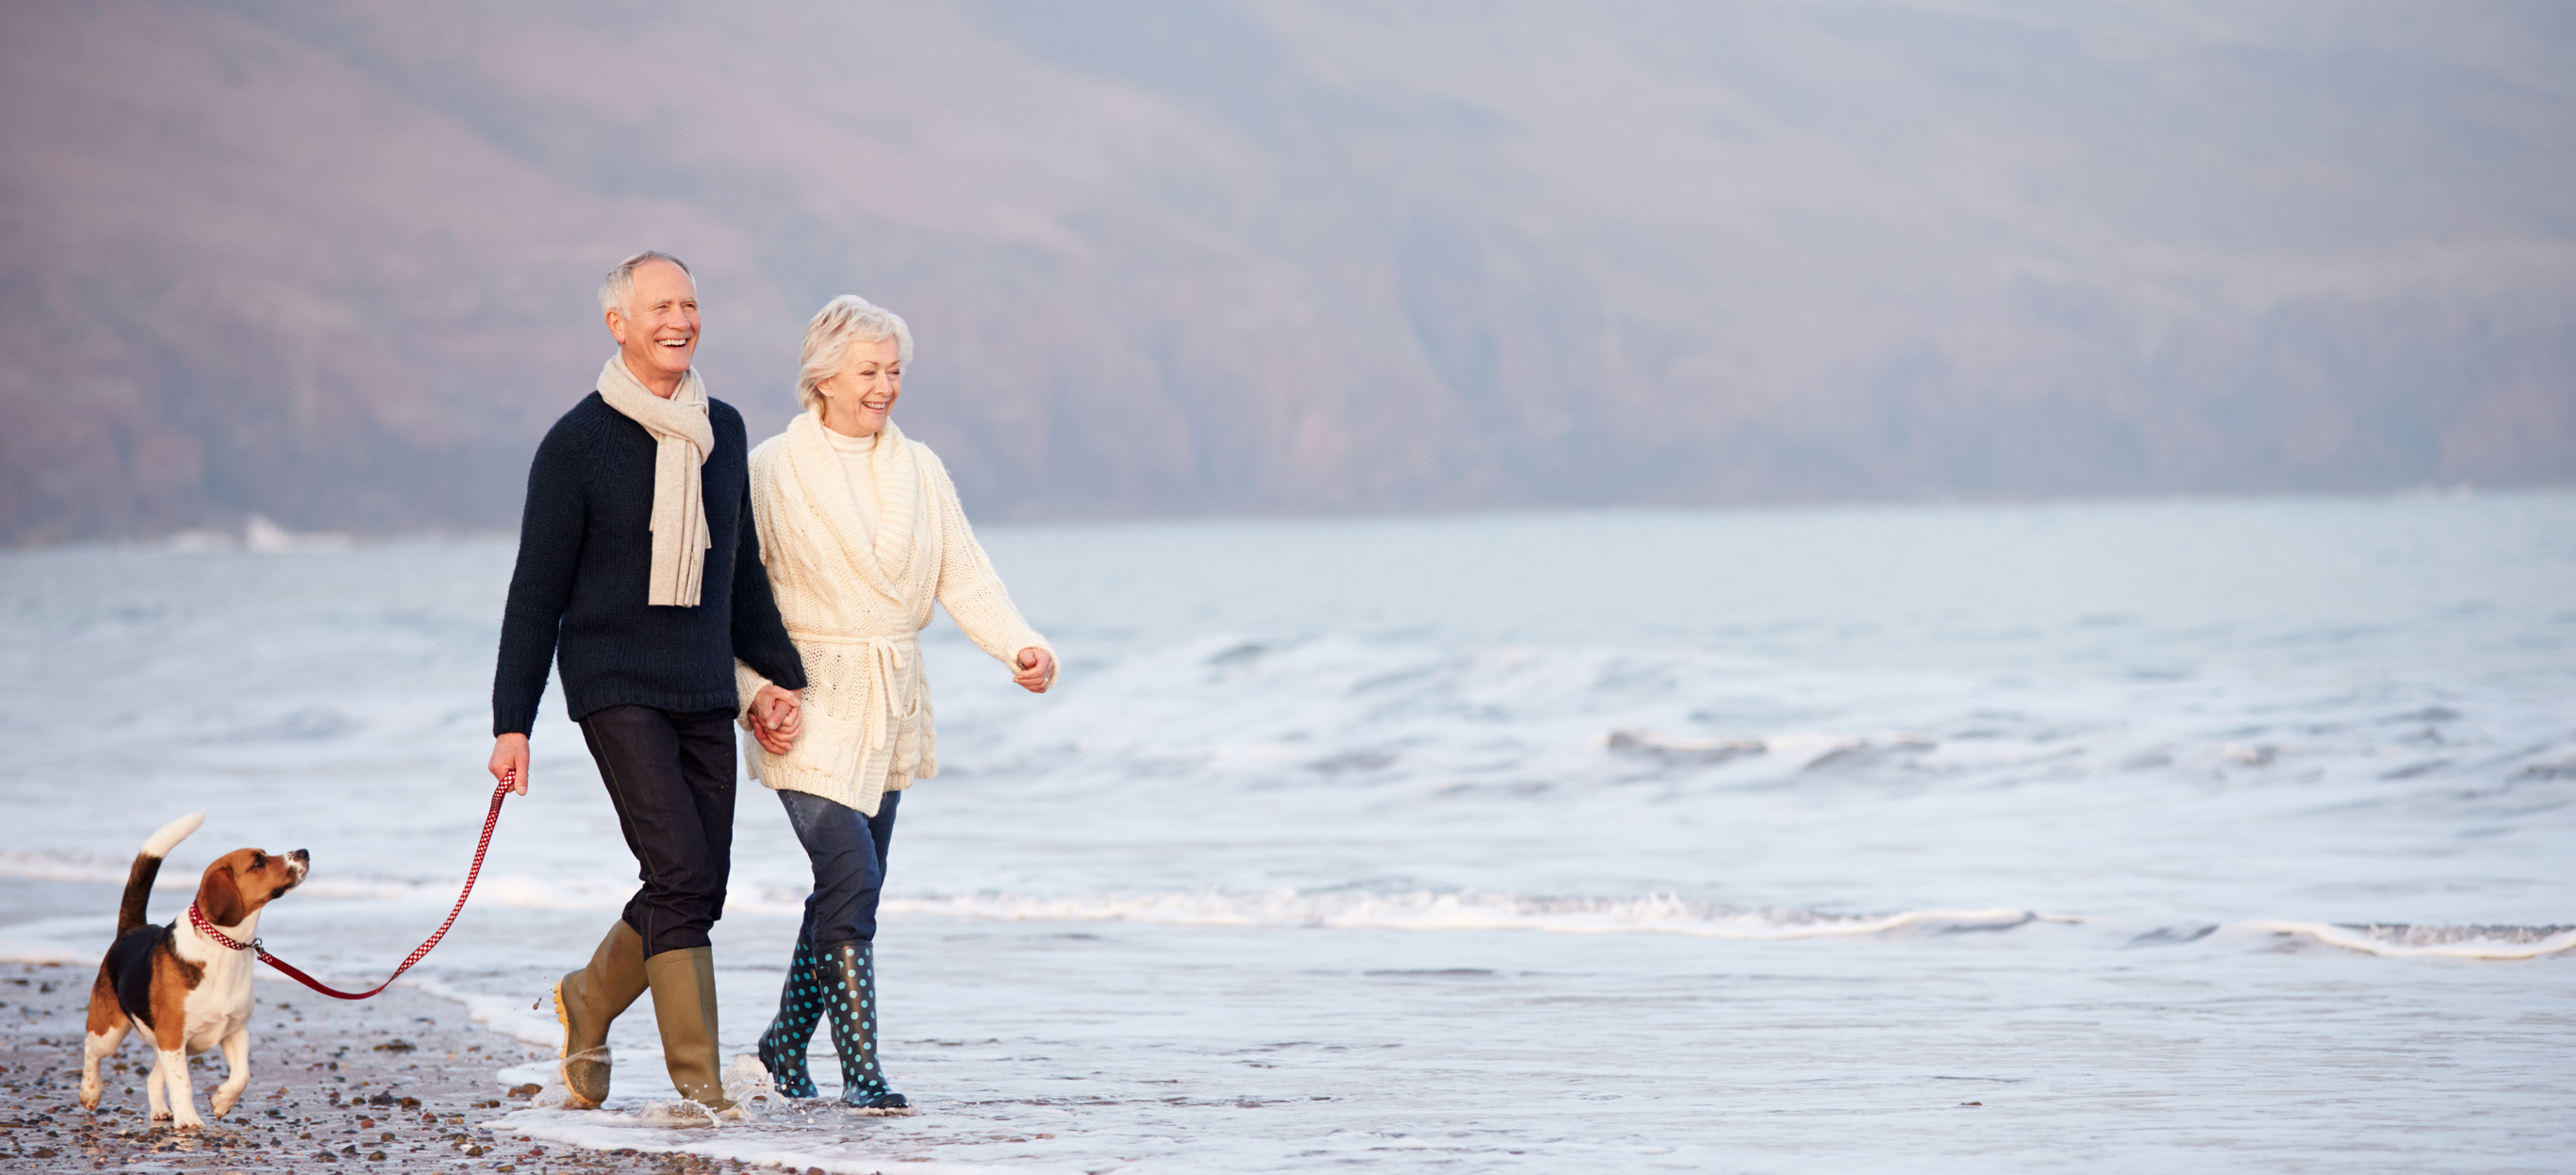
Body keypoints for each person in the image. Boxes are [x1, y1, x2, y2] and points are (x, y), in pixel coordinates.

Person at [486, 251, 810, 1116]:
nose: (680, 319)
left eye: (691, 304)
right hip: (614, 683)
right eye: (660, 305)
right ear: (618, 323)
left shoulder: (724, 430)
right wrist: (511, 722)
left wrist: (782, 681)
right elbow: (535, 592)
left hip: (701, 683)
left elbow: (738, 576)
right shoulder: (576, 444)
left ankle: (588, 999)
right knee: (678, 867)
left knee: (698, 884)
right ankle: (700, 1087)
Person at [736, 295, 1056, 1114]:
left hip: (891, 698)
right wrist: (753, 691)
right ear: (824, 376)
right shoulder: (772, 467)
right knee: (850, 870)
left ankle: (779, 1048)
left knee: (851, 887)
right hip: (802, 698)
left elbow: (964, 572)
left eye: (894, 371)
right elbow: (737, 594)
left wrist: (1019, 644)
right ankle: (863, 1073)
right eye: (869, 370)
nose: (886, 387)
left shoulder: (921, 468)